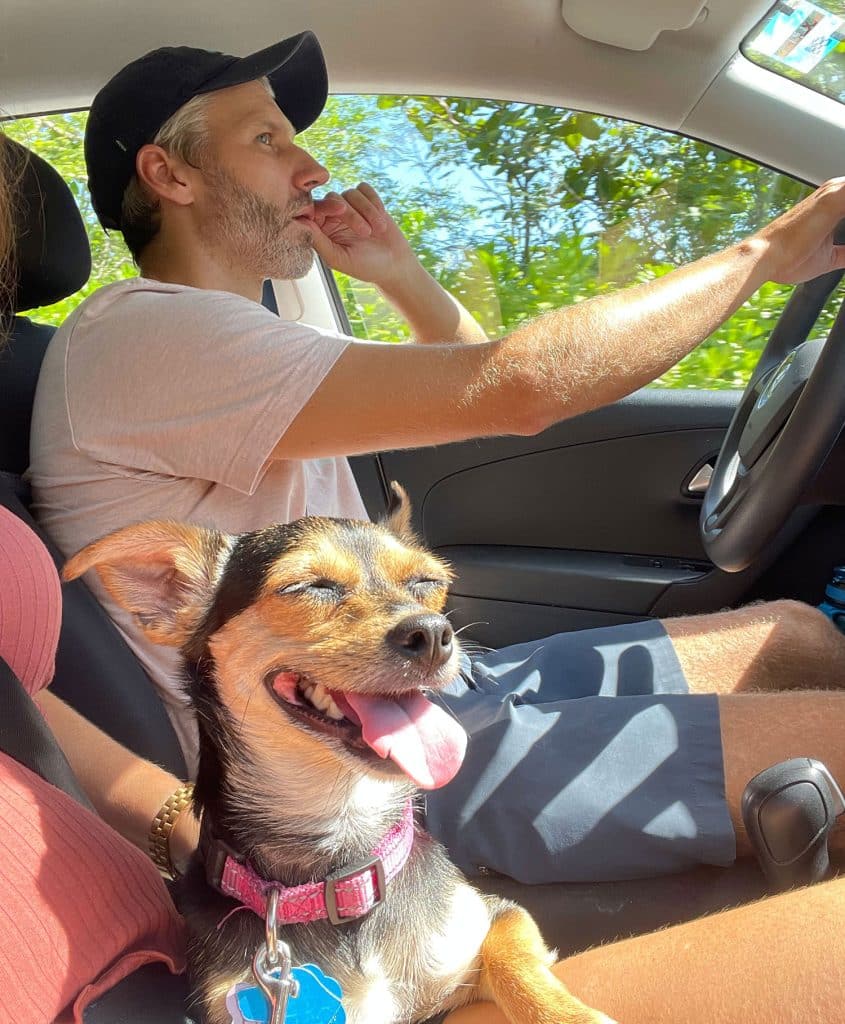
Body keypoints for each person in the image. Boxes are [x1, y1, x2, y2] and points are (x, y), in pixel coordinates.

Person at [0, 105, 842, 1024]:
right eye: (268, 139)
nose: (310, 163)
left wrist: (396, 273)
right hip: (312, 759)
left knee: (794, 635)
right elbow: (520, 388)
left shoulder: (260, 345)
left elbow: (478, 382)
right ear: (170, 175)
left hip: (415, 687)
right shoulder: (147, 331)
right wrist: (768, 251)